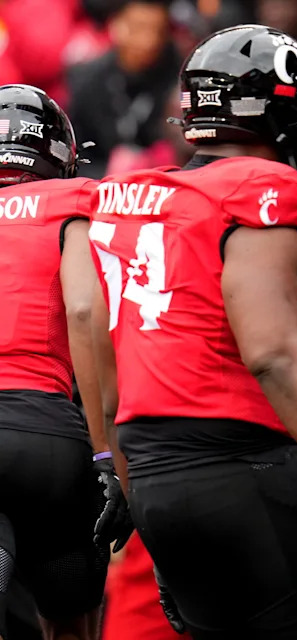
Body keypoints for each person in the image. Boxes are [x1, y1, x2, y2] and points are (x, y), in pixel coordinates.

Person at [87, 25, 297, 638]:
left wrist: (136, 495)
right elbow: (272, 352)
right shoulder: (262, 186)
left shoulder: (128, 196)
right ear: (278, 109)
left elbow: (110, 379)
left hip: (157, 484)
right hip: (248, 469)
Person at [0, 84, 132, 640]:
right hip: (44, 431)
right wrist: (107, 453)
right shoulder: (71, 203)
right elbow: (83, 309)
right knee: (69, 624)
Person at [66, 0, 179, 178]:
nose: (148, 41)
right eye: (137, 28)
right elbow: (76, 156)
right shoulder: (87, 80)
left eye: (157, 30)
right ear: (114, 24)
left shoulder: (178, 76)